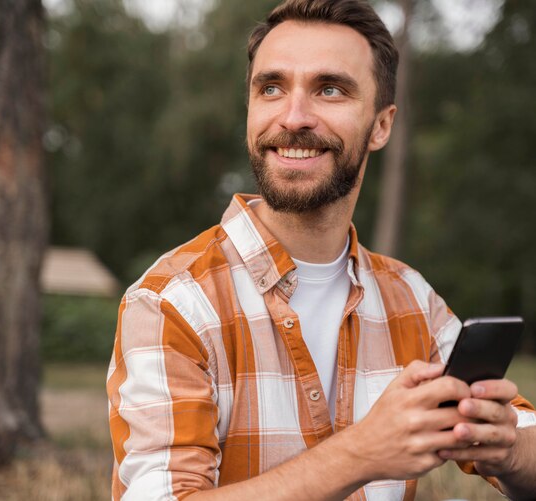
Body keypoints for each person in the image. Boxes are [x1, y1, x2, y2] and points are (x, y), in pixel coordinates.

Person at [107, 1, 536, 499]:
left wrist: (504, 448)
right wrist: (362, 453)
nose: (293, 117)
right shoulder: (172, 303)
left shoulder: (411, 299)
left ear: (381, 125)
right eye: (271, 88)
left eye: (329, 89)